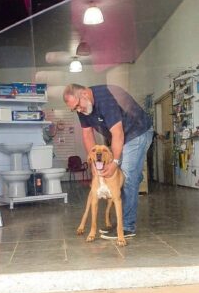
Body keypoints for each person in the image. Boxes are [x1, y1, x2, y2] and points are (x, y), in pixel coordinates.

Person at [63, 83, 153, 238]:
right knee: (127, 173)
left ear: (84, 94)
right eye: (74, 109)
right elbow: (87, 134)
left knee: (127, 177)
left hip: (138, 132)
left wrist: (115, 162)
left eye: (78, 106)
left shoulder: (105, 98)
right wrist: (93, 164)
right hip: (122, 136)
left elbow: (117, 134)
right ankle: (137, 174)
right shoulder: (82, 107)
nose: (78, 110)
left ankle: (127, 227)